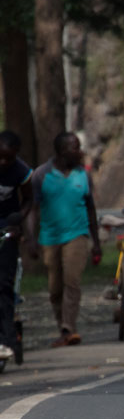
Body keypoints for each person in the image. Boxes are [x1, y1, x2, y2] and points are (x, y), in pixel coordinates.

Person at [30, 132, 102, 347]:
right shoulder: (41, 175)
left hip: (77, 235)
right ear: (62, 151)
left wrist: (96, 242)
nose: (80, 152)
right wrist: (31, 240)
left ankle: (68, 328)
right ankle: (62, 325)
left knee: (72, 281)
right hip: (50, 237)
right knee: (55, 288)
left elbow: (90, 209)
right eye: (75, 148)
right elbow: (33, 210)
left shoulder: (83, 175)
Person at [0, 131, 32, 365]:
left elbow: (28, 199)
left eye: (8, 158)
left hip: (6, 230)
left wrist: (19, 219)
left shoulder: (21, 172)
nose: (3, 162)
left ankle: (7, 340)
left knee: (4, 285)